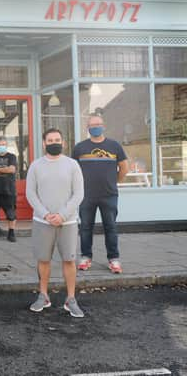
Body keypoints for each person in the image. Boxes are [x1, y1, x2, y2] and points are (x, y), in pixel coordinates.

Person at [26, 128, 85, 318]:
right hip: (42, 222)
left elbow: (78, 194)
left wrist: (62, 215)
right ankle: (43, 295)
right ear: (44, 143)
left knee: (69, 259)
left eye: (57, 139)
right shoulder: (35, 166)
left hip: (67, 222)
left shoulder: (72, 165)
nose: (54, 143)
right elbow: (31, 194)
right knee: (43, 259)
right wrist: (46, 215)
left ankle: (71, 299)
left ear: (63, 142)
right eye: (50, 140)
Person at [72, 114, 128, 274]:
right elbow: (73, 171)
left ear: (103, 126)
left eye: (98, 124)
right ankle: (85, 257)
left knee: (110, 227)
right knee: (85, 228)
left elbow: (124, 167)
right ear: (87, 128)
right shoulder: (80, 148)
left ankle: (114, 259)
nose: (95, 127)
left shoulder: (114, 146)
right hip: (86, 195)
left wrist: (114, 181)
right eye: (92, 125)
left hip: (109, 195)